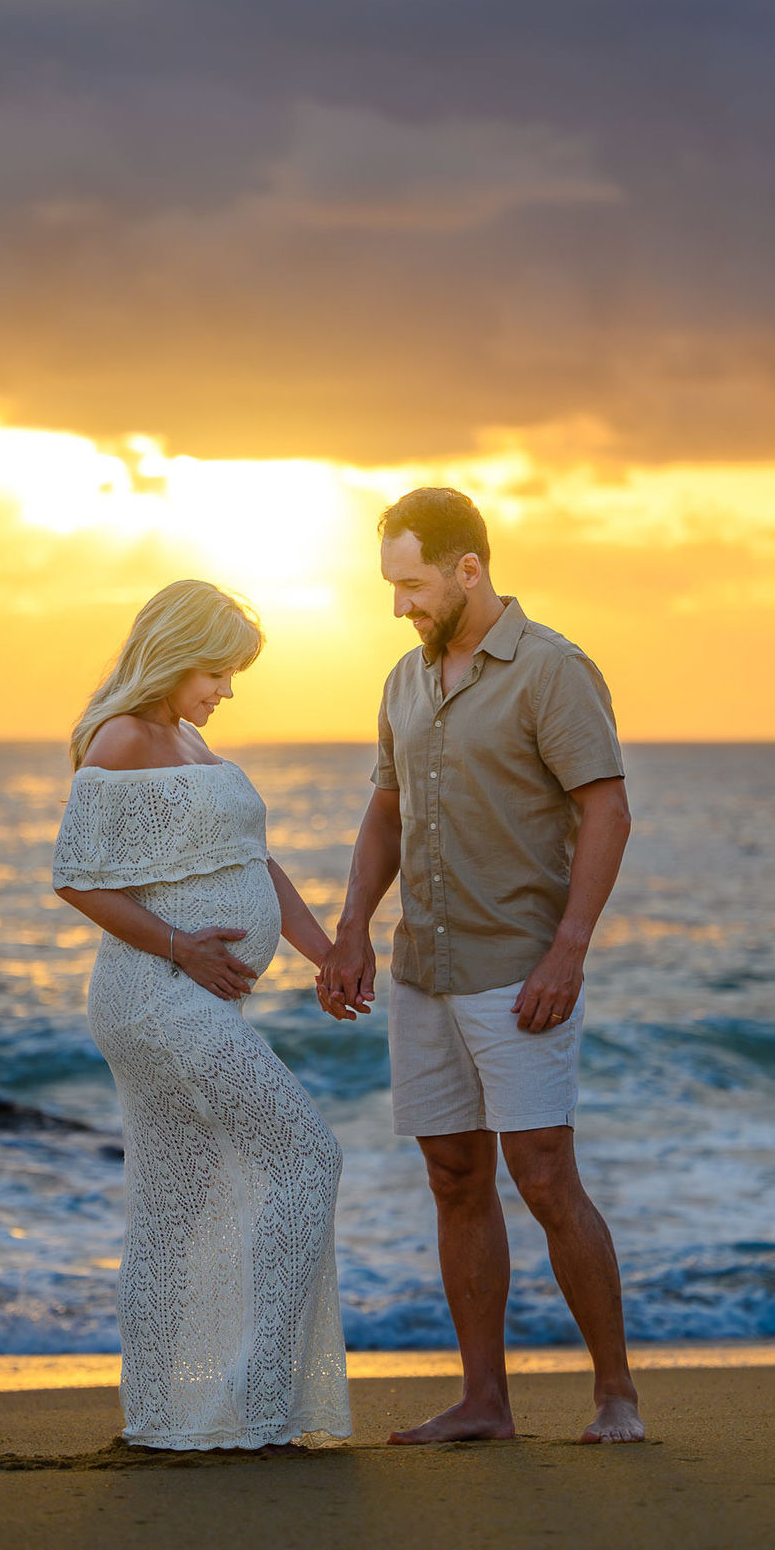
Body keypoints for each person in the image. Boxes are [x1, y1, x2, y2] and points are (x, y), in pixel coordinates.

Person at [318, 488, 644, 1446]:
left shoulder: (554, 670)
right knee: (454, 1176)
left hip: (520, 965)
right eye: (389, 586)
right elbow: (386, 811)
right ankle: (483, 1402)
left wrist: (569, 951)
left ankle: (615, 1392)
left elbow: (608, 810)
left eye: (412, 584)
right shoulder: (403, 681)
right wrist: (350, 926)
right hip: (424, 968)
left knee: (543, 1174)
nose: (398, 606)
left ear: (469, 569)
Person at [53, 580, 350, 1452]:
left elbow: (256, 862)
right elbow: (78, 874)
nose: (227, 691)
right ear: (177, 656)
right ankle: (257, 1401)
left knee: (174, 1208)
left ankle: (160, 1414)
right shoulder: (125, 737)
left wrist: (324, 951)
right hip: (154, 996)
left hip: (183, 996)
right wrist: (182, 945)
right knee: (308, 1155)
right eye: (217, 672)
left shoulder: (188, 740)